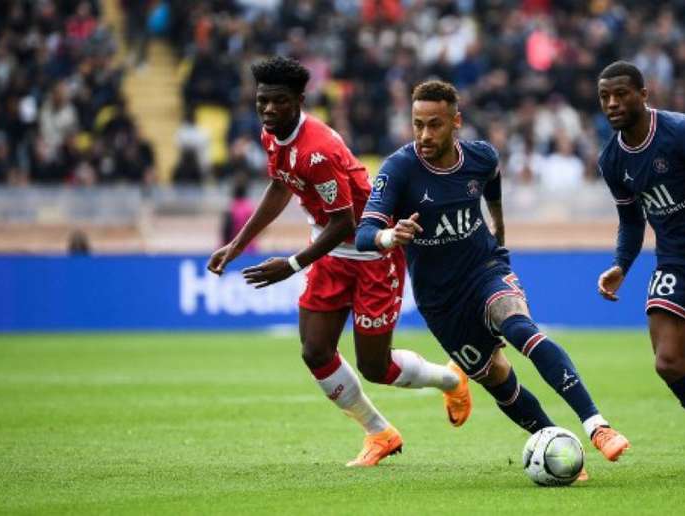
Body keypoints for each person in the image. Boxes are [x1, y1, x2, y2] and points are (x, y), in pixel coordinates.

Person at [355, 80, 629, 478]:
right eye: (417, 125)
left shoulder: (481, 157)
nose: (424, 135)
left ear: (456, 123)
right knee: (498, 378)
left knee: (519, 327)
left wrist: (498, 233)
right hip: (440, 300)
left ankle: (597, 426)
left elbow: (492, 182)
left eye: (434, 125)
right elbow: (365, 233)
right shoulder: (400, 168)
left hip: (484, 271)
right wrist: (388, 236)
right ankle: (553, 441)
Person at [207, 57, 471, 467]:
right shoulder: (272, 135)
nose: (269, 110)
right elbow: (281, 185)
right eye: (262, 102)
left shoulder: (319, 151)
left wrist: (292, 265)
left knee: (375, 367)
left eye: (278, 101)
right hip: (329, 255)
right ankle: (379, 432)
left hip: (371, 254)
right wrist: (239, 243)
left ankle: (451, 379)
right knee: (314, 351)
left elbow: (344, 222)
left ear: (299, 100)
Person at [596, 61, 685, 411]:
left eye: (621, 94)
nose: (612, 103)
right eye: (605, 97)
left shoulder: (679, 132)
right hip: (675, 261)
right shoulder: (612, 161)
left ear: (644, 95)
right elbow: (632, 221)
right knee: (668, 361)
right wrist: (621, 264)